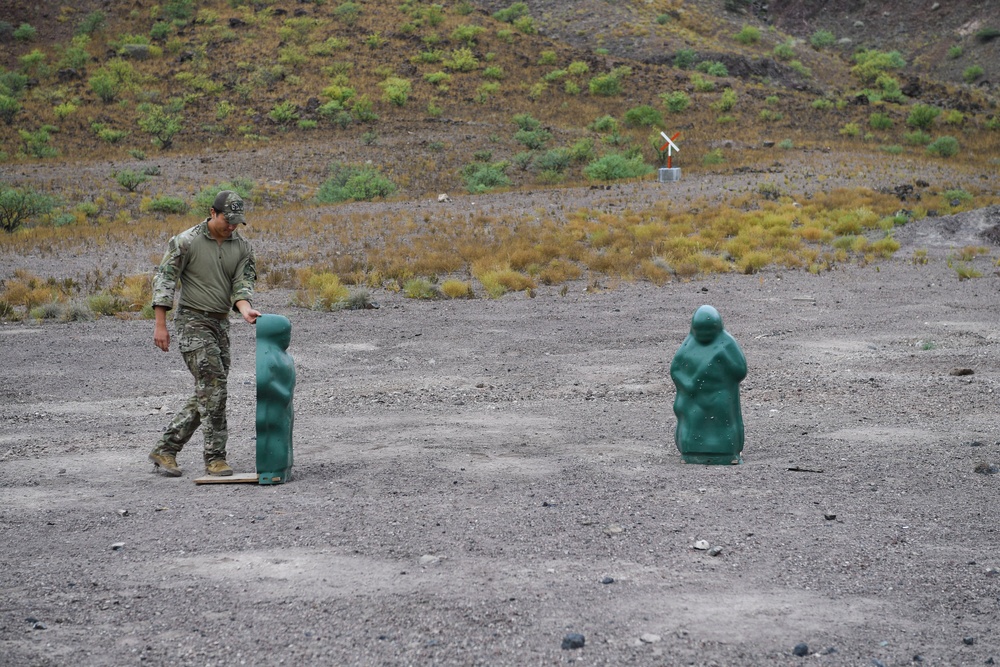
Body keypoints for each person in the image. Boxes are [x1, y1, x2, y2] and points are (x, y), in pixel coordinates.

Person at [148, 190, 260, 477]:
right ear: (213, 212)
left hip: (221, 323)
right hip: (192, 320)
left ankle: (166, 449)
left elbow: (242, 284)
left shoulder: (243, 248)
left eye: (237, 221)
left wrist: (245, 309)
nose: (231, 225)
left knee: (211, 390)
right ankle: (215, 458)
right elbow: (165, 279)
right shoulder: (186, 241)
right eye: (227, 219)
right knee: (214, 388)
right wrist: (160, 323)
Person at [670, 305, 747, 465]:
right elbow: (675, 370)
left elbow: (740, 371)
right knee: (694, 421)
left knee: (723, 422)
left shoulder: (727, 344)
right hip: (695, 397)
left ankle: (728, 452)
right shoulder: (689, 345)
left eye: (709, 331)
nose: (705, 336)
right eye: (701, 331)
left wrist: (724, 359)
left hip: (721, 395)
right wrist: (686, 385)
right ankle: (690, 451)